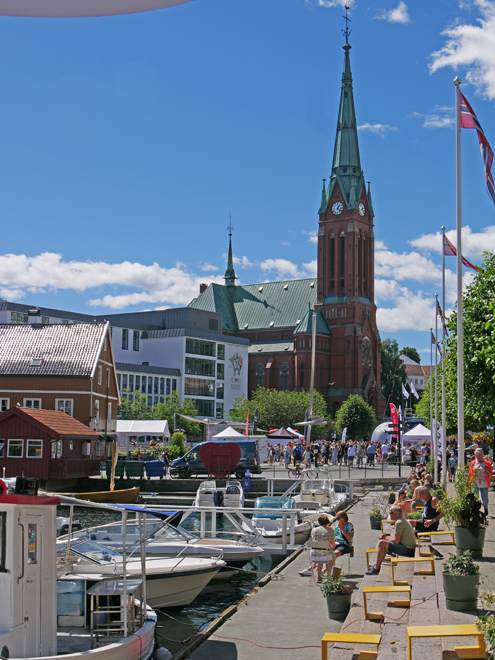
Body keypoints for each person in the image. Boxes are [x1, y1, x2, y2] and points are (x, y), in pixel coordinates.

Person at [366, 506, 416, 575]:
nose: (389, 514)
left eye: (391, 512)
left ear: (395, 514)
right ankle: (376, 566)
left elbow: (396, 541)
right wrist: (386, 539)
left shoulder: (399, 523)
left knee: (381, 543)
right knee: (383, 543)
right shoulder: (402, 520)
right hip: (409, 547)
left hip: (408, 549)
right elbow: (397, 539)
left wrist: (385, 539)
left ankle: (376, 568)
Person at [299, 514, 336, 581]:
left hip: (313, 555)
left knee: (320, 556)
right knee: (329, 558)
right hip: (325, 555)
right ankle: (328, 577)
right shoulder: (330, 531)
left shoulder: (313, 530)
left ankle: (318, 577)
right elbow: (333, 545)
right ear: (327, 522)